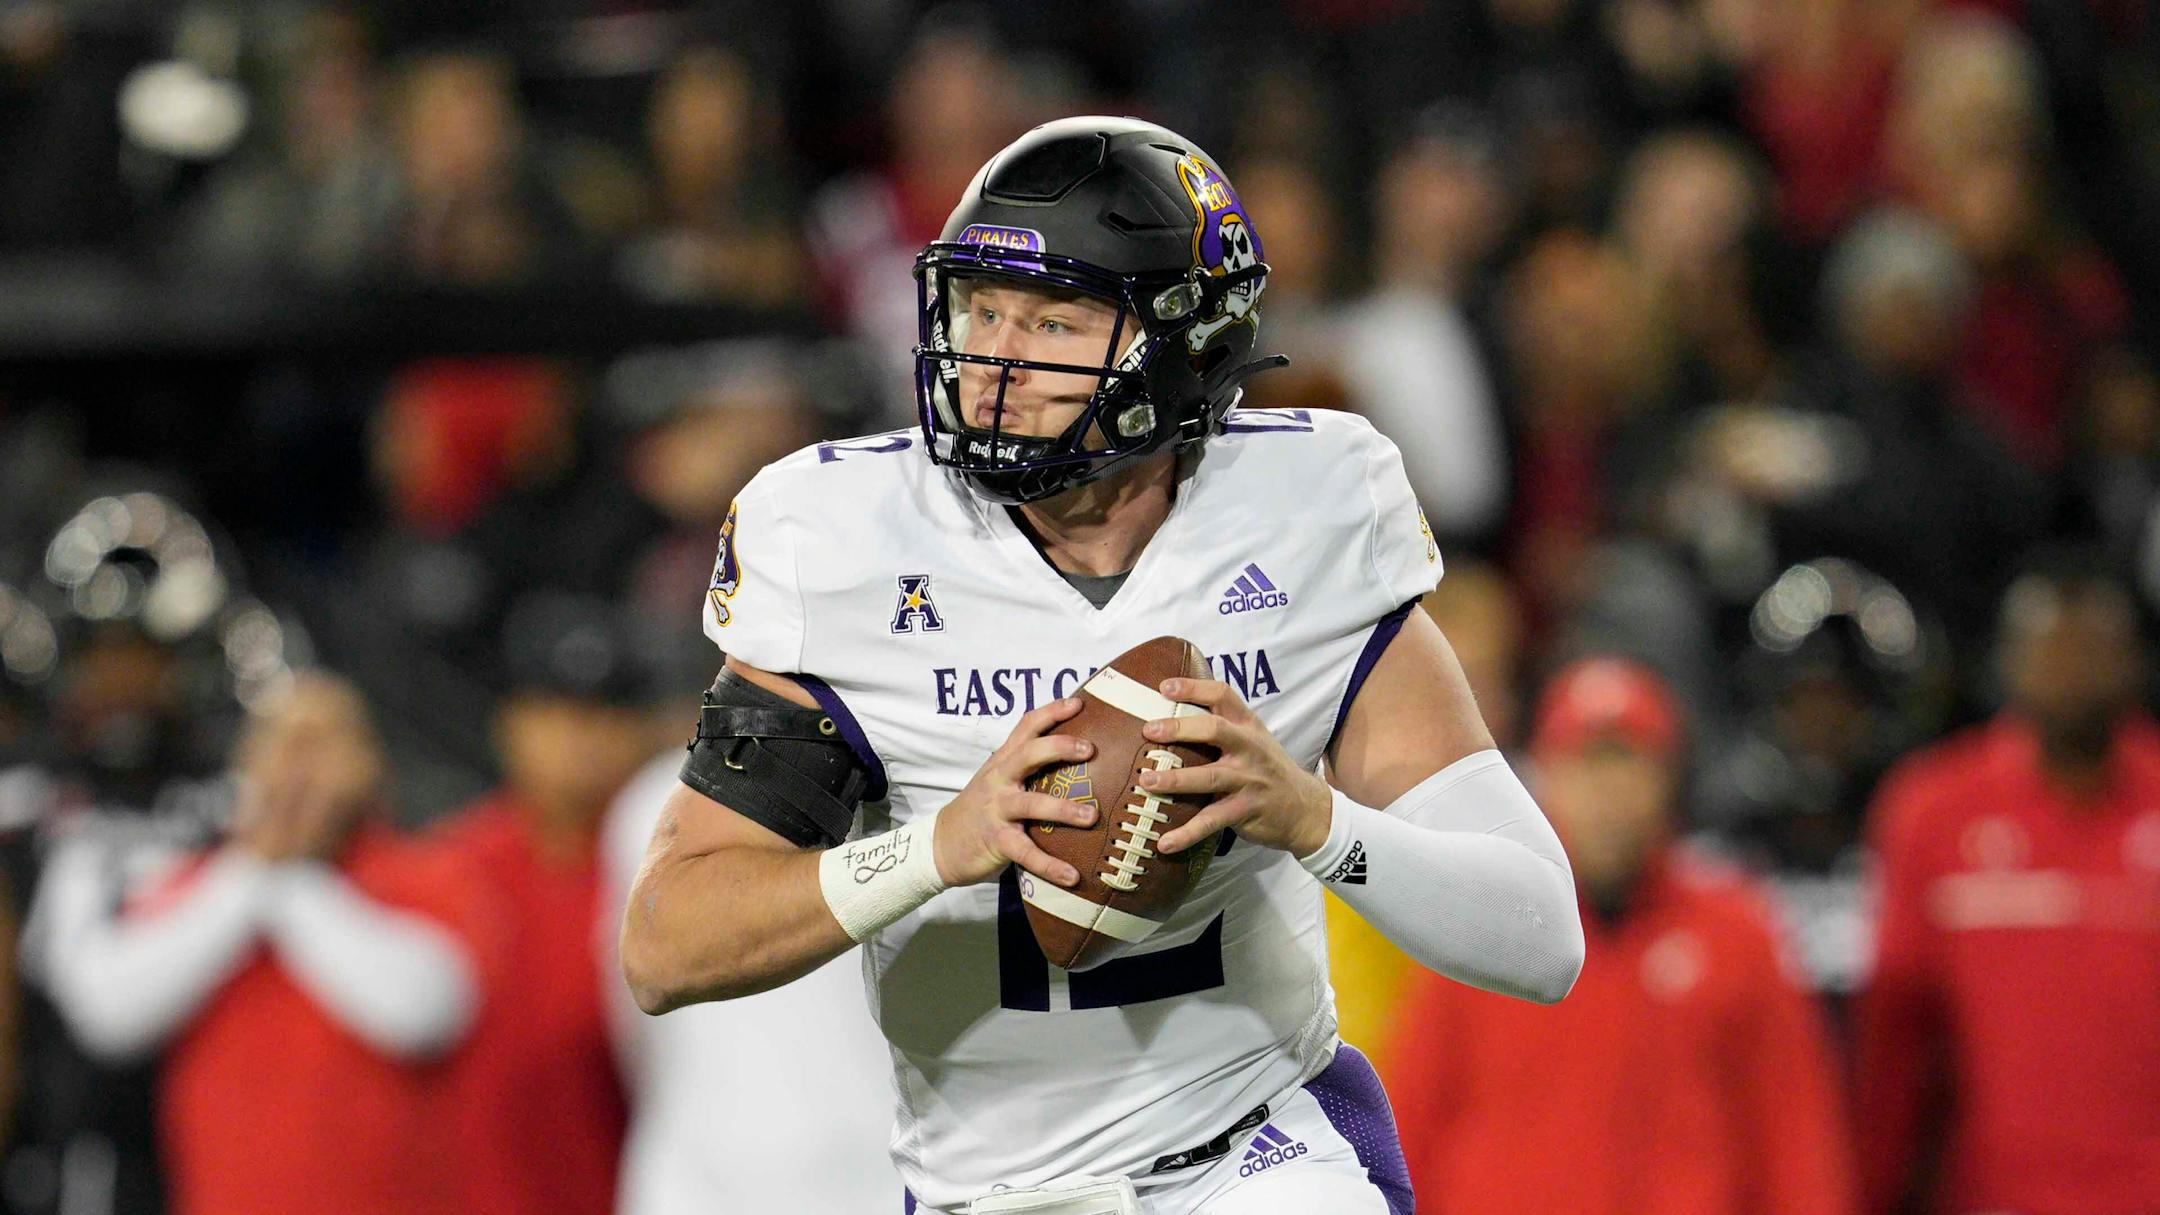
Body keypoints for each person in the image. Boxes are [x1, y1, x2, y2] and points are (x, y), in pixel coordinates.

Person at [620, 116, 1585, 1215]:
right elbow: (667, 945)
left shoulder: (1308, 512)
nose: (994, 362)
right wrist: (939, 848)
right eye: (982, 311)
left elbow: (1539, 935)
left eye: (1056, 320)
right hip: (991, 1191)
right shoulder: (843, 538)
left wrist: (1312, 819)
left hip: (1258, 1156)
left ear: (1184, 339)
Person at [1388, 657, 1857, 1215]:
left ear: (1668, 781)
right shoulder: (1481, 923)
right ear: (1544, 775)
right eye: (1588, 765)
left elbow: (1797, 1146)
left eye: (1629, 764)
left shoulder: (1739, 934)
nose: (1609, 793)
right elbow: (1410, 1128)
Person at [32, 672, 495, 1215]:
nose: (301, 763)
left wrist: (287, 880)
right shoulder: (197, 883)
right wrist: (249, 877)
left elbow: (426, 1014)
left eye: (324, 741)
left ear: (371, 765)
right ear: (247, 763)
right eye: (283, 741)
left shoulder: (428, 874)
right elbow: (108, 1014)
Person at [1854, 553, 2160, 1215]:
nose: (2070, 671)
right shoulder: (1932, 811)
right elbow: (1896, 1041)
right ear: (2008, 661)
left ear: (2135, 662)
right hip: (1990, 1195)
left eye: (2091, 650)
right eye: (2050, 650)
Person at [432, 595, 646, 1215]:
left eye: (605, 713)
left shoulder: (666, 874)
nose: (579, 738)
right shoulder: (452, 870)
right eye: (554, 711)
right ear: (509, 724)